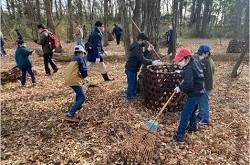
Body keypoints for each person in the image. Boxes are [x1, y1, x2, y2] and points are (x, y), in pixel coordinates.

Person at [172, 48, 206, 144]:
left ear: (187, 59)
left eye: (180, 60)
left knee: (185, 113)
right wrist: (182, 72)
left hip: (195, 93)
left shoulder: (188, 69)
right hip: (201, 90)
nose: (179, 63)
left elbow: (189, 84)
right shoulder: (195, 61)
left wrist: (180, 88)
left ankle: (179, 136)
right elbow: (198, 71)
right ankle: (193, 127)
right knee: (193, 110)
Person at [125, 32, 162, 100]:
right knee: (131, 84)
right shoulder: (136, 48)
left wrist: (148, 50)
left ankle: (133, 95)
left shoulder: (137, 46)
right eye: (144, 41)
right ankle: (129, 97)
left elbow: (141, 56)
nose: (145, 43)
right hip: (131, 68)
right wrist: (152, 62)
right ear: (140, 40)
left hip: (133, 68)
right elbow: (142, 59)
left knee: (134, 83)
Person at [64, 45, 88, 123]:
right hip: (74, 79)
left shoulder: (73, 59)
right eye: (84, 53)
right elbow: (84, 70)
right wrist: (85, 76)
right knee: (83, 97)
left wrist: (82, 78)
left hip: (68, 79)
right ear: (82, 52)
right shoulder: (81, 58)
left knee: (79, 93)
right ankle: (70, 114)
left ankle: (78, 106)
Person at [196, 44, 215, 126]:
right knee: (201, 101)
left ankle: (206, 119)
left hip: (205, 87)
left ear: (207, 53)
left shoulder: (205, 62)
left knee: (204, 103)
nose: (199, 55)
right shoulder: (210, 60)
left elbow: (205, 75)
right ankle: (200, 115)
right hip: (206, 86)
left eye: (201, 53)